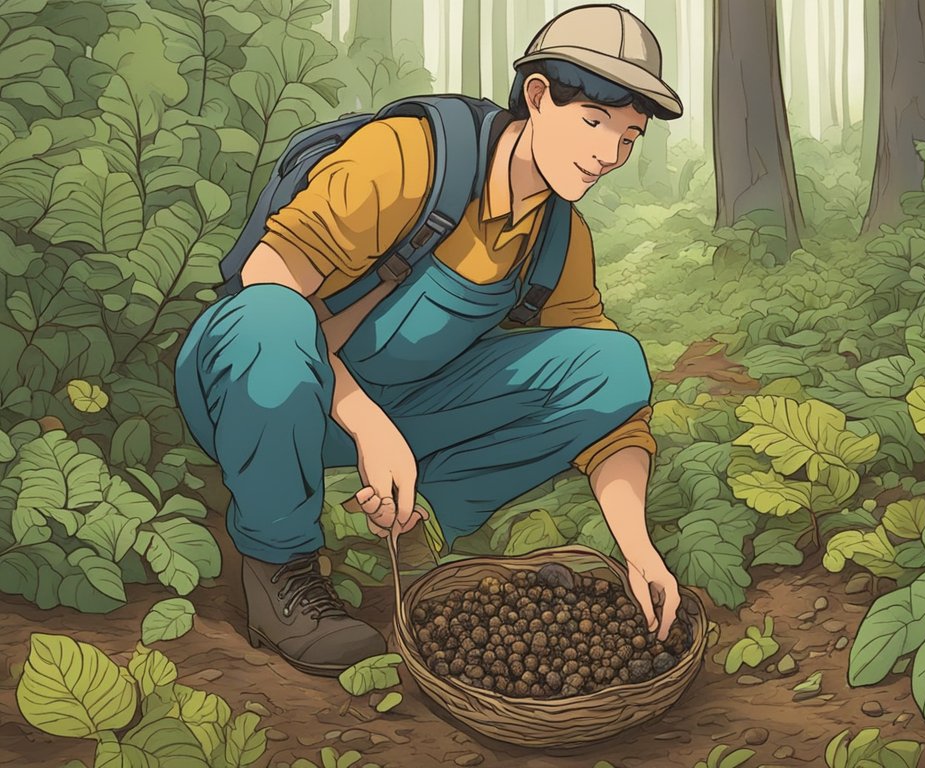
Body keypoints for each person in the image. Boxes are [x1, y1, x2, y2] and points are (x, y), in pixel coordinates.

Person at [174, 4, 683, 676]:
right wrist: (366, 423)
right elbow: (268, 279)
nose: (607, 155)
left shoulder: (558, 236)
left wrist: (639, 549)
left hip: (396, 402)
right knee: (273, 317)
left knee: (615, 366)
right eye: (593, 122)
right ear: (536, 96)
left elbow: (614, 413)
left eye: (628, 138)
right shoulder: (413, 154)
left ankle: (407, 522)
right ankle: (278, 569)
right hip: (256, 386)